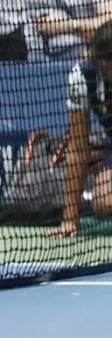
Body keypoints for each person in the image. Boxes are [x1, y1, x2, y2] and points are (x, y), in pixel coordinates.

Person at [56, 21, 112, 237]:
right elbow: (78, 149)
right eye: (105, 66)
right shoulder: (82, 78)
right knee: (105, 202)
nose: (108, 72)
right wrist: (70, 219)